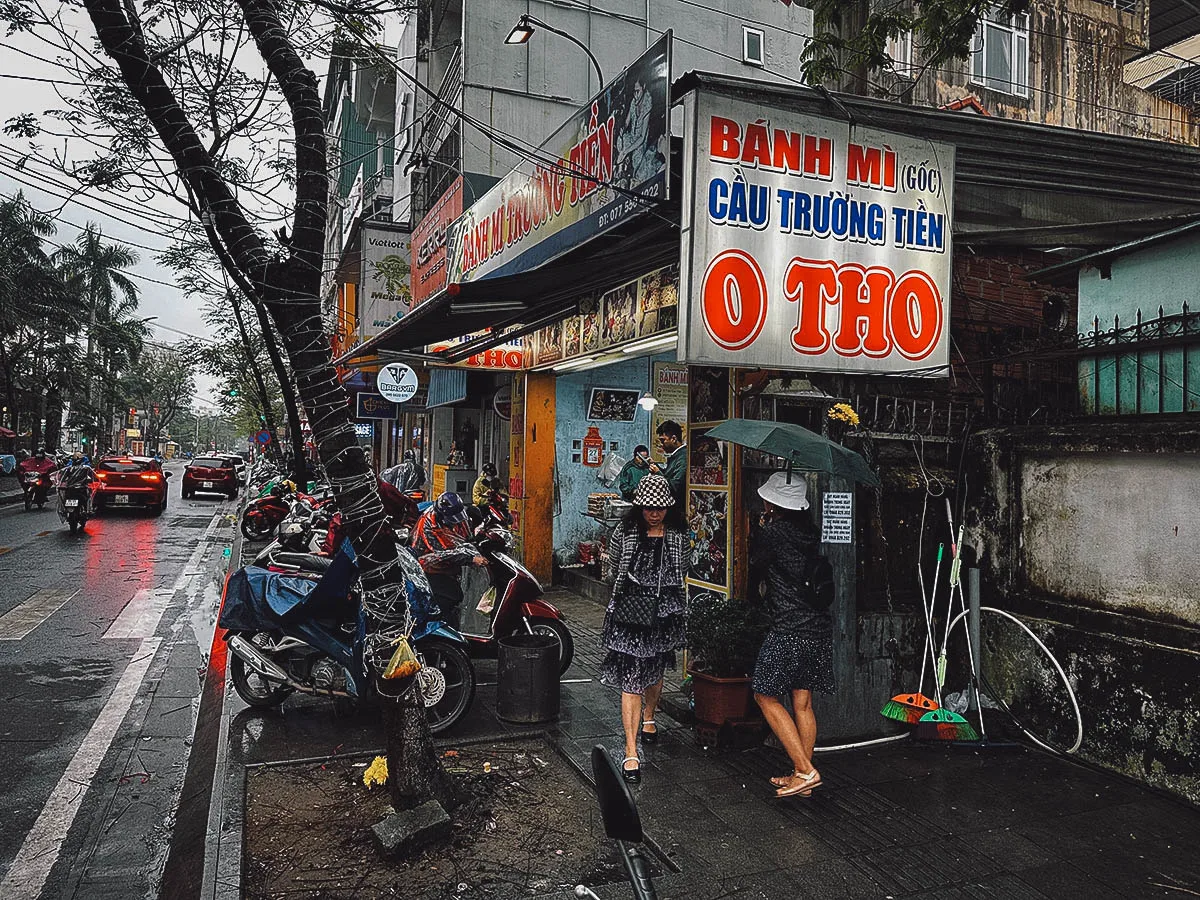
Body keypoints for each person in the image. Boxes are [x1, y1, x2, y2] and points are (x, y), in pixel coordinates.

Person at [748, 471, 836, 799]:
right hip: (817, 626)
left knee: (764, 695)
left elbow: (756, 565)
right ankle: (803, 777)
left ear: (775, 502)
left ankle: (806, 770)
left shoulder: (773, 534)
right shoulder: (809, 533)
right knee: (802, 702)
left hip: (788, 627)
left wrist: (760, 528)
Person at [600, 474, 687, 784]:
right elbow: (612, 570)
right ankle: (630, 749)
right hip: (630, 614)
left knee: (657, 668)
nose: (654, 513)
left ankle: (649, 717)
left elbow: (683, 570)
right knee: (632, 678)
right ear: (638, 507)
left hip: (663, 614)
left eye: (660, 508)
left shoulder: (677, 535)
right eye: (648, 507)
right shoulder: (625, 532)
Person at [409, 492, 487, 630]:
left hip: (451, 567)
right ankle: (444, 628)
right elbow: (443, 554)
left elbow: (465, 535)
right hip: (431, 567)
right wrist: (471, 558)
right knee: (452, 596)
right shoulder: (429, 525)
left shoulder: (455, 517)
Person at [652, 421, 686, 504]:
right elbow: (668, 476)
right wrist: (655, 466)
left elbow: (675, 487)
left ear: (673, 439)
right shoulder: (676, 456)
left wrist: (658, 473)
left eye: (663, 440)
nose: (661, 445)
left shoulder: (683, 457)